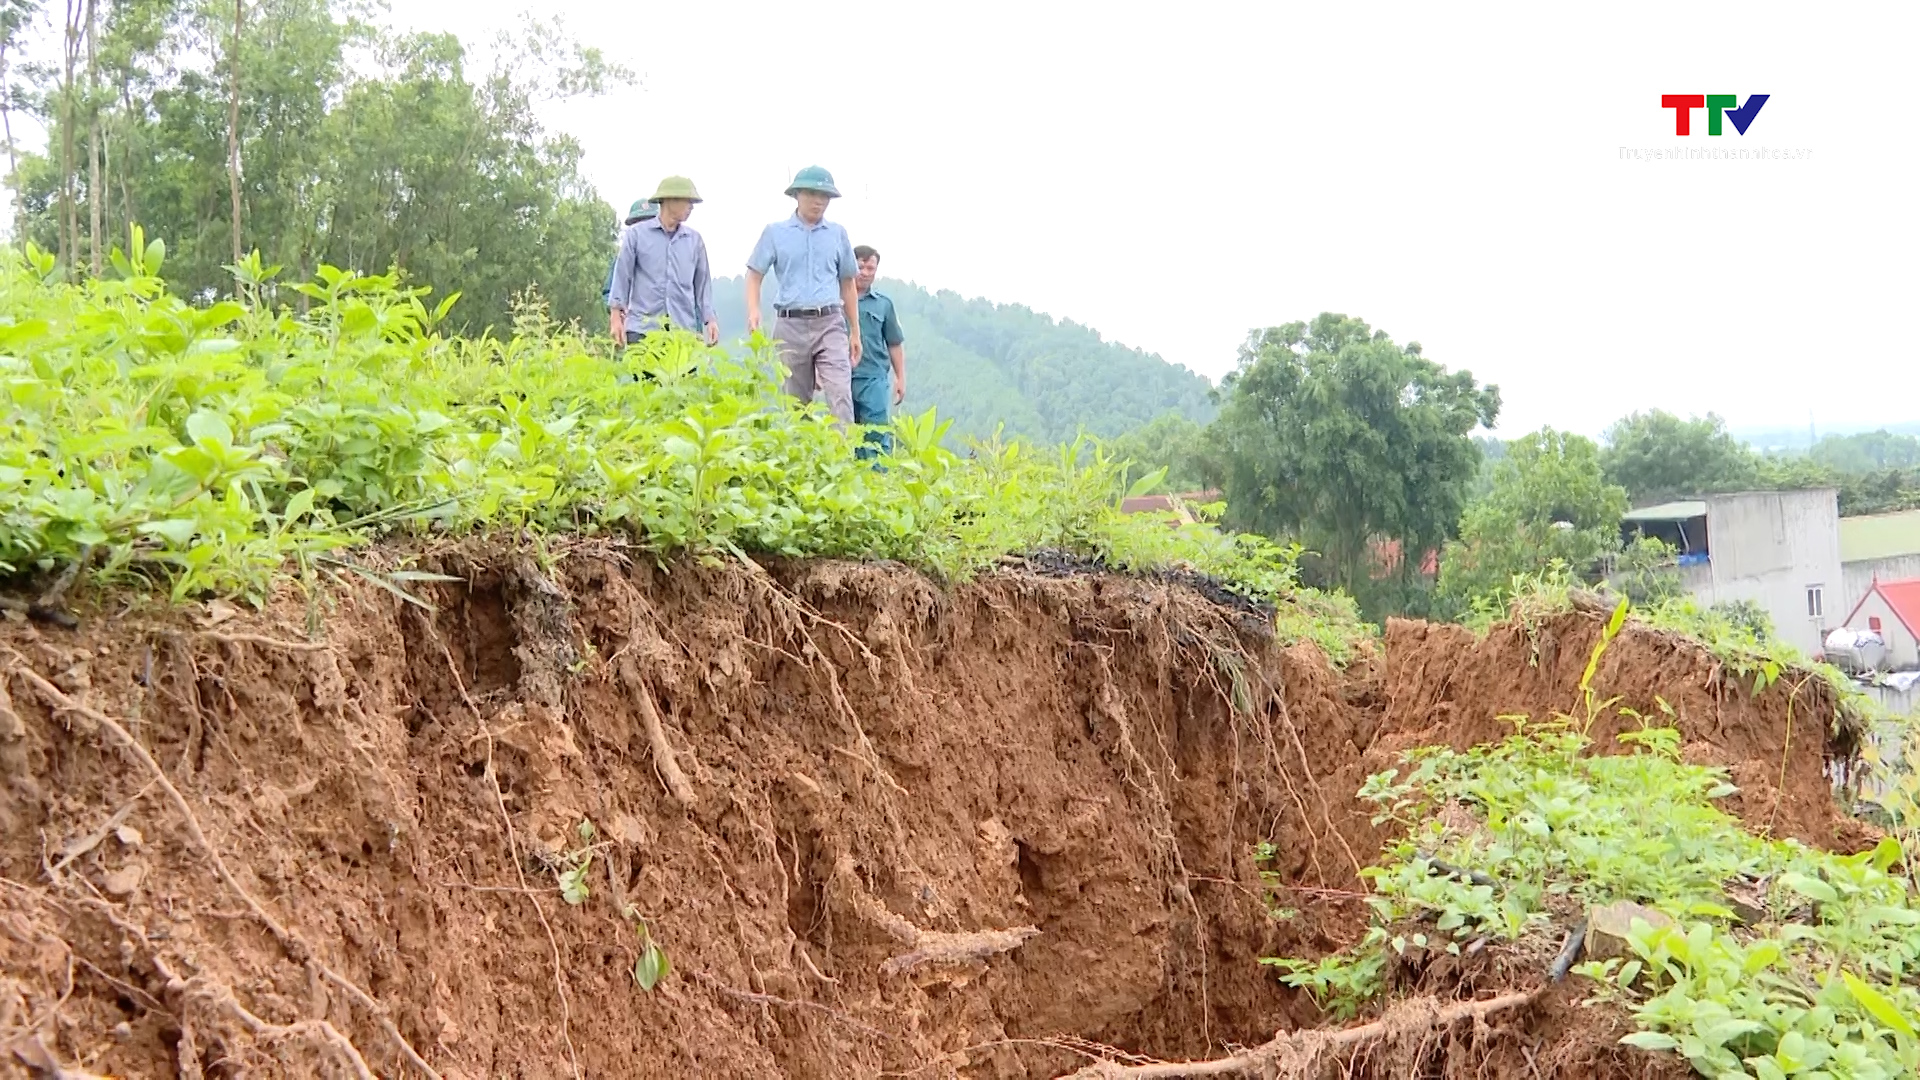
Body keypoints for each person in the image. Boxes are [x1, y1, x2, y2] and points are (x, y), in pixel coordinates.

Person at [745, 166, 861, 424]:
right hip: (790, 325)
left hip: (829, 321)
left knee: (840, 393)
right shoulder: (775, 233)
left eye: (825, 196)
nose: (819, 201)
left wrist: (855, 330)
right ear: (797, 195)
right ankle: (804, 460)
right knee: (796, 403)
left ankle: (842, 458)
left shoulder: (837, 234)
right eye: (811, 194)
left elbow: (848, 283)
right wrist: (754, 309)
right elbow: (754, 273)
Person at [608, 177, 718, 348]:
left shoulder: (694, 241)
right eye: (687, 201)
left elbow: (702, 286)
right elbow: (622, 277)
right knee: (645, 375)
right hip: (643, 331)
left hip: (682, 332)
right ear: (670, 201)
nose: (691, 207)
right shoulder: (636, 236)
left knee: (684, 375)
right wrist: (616, 316)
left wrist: (710, 319)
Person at [851, 245, 906, 457]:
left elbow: (894, 342)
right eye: (860, 266)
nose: (865, 273)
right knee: (845, 434)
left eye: (870, 268)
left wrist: (900, 377)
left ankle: (876, 481)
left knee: (876, 434)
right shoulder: (834, 301)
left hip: (873, 378)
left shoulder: (883, 304)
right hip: (841, 376)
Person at [601, 198, 658, 308]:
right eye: (638, 223)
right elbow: (608, 293)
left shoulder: (674, 256)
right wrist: (620, 310)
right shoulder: (621, 259)